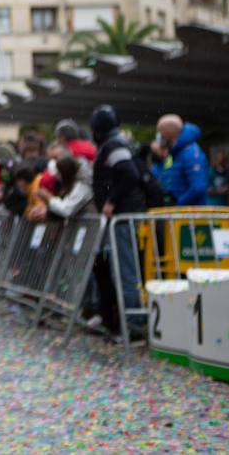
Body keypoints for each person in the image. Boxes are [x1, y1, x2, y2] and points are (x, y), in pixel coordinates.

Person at [90, 104, 146, 338]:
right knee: (123, 270)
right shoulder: (115, 142)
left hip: (123, 216)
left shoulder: (113, 144)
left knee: (126, 271)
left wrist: (111, 201)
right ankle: (128, 322)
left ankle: (133, 325)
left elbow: (129, 173)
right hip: (123, 216)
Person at [155, 114, 208, 206]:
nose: (159, 138)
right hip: (180, 216)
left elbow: (198, 188)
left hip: (189, 216)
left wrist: (177, 203)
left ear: (167, 133)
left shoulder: (190, 153)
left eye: (160, 133)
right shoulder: (176, 153)